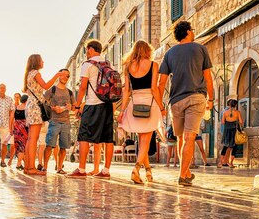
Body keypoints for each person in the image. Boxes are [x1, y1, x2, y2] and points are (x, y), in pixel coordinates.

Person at [158, 21, 214, 186]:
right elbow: (208, 77)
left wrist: (160, 105)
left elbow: (161, 83)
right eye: (193, 30)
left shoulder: (169, 53)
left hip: (176, 100)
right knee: (190, 137)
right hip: (196, 97)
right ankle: (183, 175)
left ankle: (186, 172)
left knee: (182, 138)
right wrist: (211, 98)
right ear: (188, 32)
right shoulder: (200, 49)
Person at [117, 40, 166, 184]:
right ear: (147, 51)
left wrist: (122, 110)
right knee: (145, 139)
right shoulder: (153, 65)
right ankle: (136, 170)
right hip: (149, 103)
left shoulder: (128, 67)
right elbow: (154, 88)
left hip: (134, 103)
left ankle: (148, 171)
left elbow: (126, 90)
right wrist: (161, 107)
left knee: (142, 139)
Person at [69, 40, 115, 179]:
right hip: (107, 104)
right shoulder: (107, 64)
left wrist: (77, 105)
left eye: (86, 51)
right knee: (107, 138)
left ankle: (81, 169)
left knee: (83, 136)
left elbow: (82, 87)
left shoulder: (87, 64)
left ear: (90, 49)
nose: (86, 53)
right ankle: (105, 171)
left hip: (93, 103)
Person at [23, 54, 64, 176]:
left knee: (30, 138)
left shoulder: (29, 74)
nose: (43, 62)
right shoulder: (36, 73)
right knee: (33, 139)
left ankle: (27, 167)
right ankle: (31, 168)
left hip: (31, 105)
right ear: (37, 62)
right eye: (41, 60)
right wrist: (57, 75)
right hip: (36, 106)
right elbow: (46, 86)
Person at [44, 69, 74, 174]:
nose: (66, 77)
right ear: (59, 76)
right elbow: (44, 102)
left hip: (66, 122)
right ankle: (45, 167)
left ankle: (60, 168)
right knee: (49, 145)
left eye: (68, 76)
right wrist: (53, 108)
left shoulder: (69, 92)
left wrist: (71, 107)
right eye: (64, 75)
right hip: (54, 121)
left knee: (63, 147)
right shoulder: (52, 90)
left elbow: (74, 107)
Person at [219, 99, 243, 168]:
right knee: (234, 147)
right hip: (234, 130)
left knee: (225, 146)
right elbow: (241, 121)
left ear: (229, 105)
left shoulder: (225, 113)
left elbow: (223, 122)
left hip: (227, 130)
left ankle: (220, 162)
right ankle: (231, 163)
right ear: (235, 105)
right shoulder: (237, 112)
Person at [13, 94, 29, 170]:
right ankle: (18, 164)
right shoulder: (27, 108)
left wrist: (11, 128)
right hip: (24, 130)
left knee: (19, 147)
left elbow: (11, 119)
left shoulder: (16, 108)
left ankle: (25, 164)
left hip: (16, 129)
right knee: (23, 147)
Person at [7, 92, 22, 166]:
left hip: (20, 127)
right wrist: (10, 127)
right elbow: (10, 118)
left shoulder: (21, 106)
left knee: (20, 145)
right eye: (15, 97)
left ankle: (19, 162)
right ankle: (11, 159)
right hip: (13, 127)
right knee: (12, 145)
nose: (16, 98)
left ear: (20, 98)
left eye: (18, 97)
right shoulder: (11, 107)